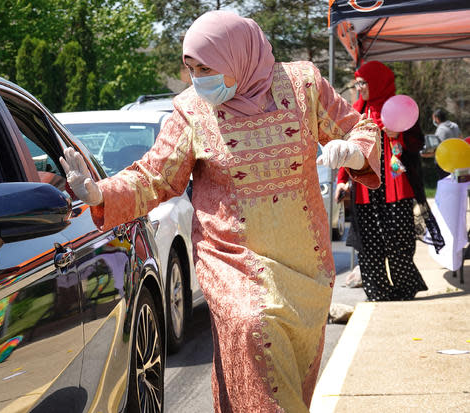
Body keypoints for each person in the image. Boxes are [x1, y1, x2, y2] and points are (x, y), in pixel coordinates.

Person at [61, 11, 380, 412]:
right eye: (190, 67)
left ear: (237, 57)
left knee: (289, 380)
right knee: (253, 325)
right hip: (232, 261)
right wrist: (98, 192)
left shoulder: (304, 86)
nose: (198, 78)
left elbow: (359, 128)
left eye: (206, 67)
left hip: (304, 265)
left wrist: (353, 150)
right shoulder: (191, 111)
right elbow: (154, 176)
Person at [335, 61, 444, 303]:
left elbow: (417, 145)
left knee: (400, 240)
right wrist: (342, 180)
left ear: (377, 82)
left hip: (396, 187)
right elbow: (349, 149)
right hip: (366, 189)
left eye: (363, 82)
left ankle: (405, 289)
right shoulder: (356, 111)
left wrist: (400, 135)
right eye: (358, 82)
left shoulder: (399, 107)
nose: (359, 87)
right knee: (370, 244)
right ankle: (378, 291)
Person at [432, 108, 462, 179]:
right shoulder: (455, 126)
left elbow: (438, 147)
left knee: (445, 182)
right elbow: (461, 139)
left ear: (437, 118)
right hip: (456, 159)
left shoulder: (440, 129)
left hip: (444, 162)